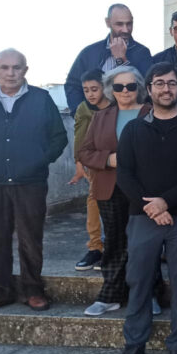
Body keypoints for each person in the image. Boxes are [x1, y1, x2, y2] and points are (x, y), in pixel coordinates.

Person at [111, 63, 177, 354]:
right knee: (139, 281)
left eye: (171, 83)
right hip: (143, 219)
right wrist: (152, 209)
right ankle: (134, 343)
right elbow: (124, 175)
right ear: (149, 88)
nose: (165, 88)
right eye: (159, 83)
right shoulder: (134, 130)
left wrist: (166, 202)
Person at [0, 49, 68, 313]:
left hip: (30, 183)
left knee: (31, 238)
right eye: (5, 68)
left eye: (16, 68)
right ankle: (2, 290)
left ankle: (33, 290)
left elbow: (58, 138)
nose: (10, 73)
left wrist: (39, 161)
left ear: (25, 70)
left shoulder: (41, 99)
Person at [77, 66, 153, 316]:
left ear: (139, 88)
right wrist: (108, 159)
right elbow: (84, 152)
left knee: (145, 243)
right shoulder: (101, 117)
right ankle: (110, 294)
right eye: (119, 86)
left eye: (130, 86)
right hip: (109, 187)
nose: (124, 91)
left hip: (144, 188)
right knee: (115, 243)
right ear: (111, 89)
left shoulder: (151, 113)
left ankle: (148, 293)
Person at [65, 4, 153, 113]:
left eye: (129, 24)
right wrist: (81, 114)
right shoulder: (89, 53)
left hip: (130, 118)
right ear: (108, 22)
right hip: (95, 121)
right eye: (119, 24)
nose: (125, 29)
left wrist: (122, 60)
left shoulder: (142, 52)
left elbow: (149, 88)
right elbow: (72, 85)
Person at [70, 68, 111, 272]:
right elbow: (79, 135)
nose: (91, 94)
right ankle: (95, 247)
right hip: (95, 162)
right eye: (86, 90)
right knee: (93, 200)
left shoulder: (117, 105)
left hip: (116, 160)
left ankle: (113, 249)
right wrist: (79, 163)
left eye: (95, 89)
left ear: (104, 87)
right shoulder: (84, 109)